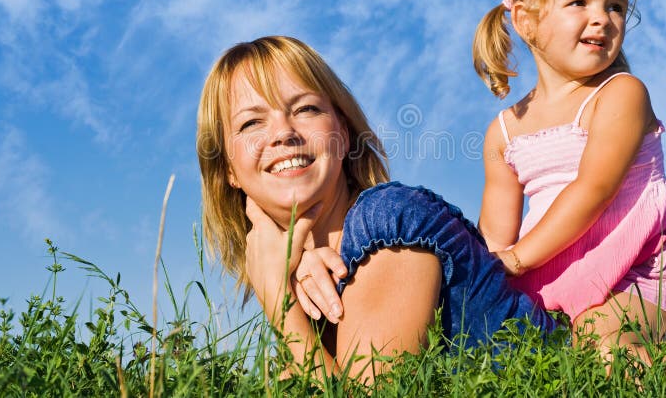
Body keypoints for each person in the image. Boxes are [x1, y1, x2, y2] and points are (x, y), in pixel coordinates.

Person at [196, 35, 554, 380]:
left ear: (344, 133)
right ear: (228, 168)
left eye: (305, 109)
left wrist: (279, 305)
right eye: (251, 122)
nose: (283, 133)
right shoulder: (305, 276)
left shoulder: (391, 224)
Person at [472, 0, 666, 360]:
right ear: (526, 20)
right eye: (580, 2)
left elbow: (593, 189)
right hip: (553, 269)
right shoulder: (503, 131)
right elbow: (495, 235)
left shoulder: (620, 95)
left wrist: (518, 260)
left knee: (600, 339)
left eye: (616, 6)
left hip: (639, 266)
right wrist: (494, 268)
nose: (602, 19)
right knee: (529, 357)